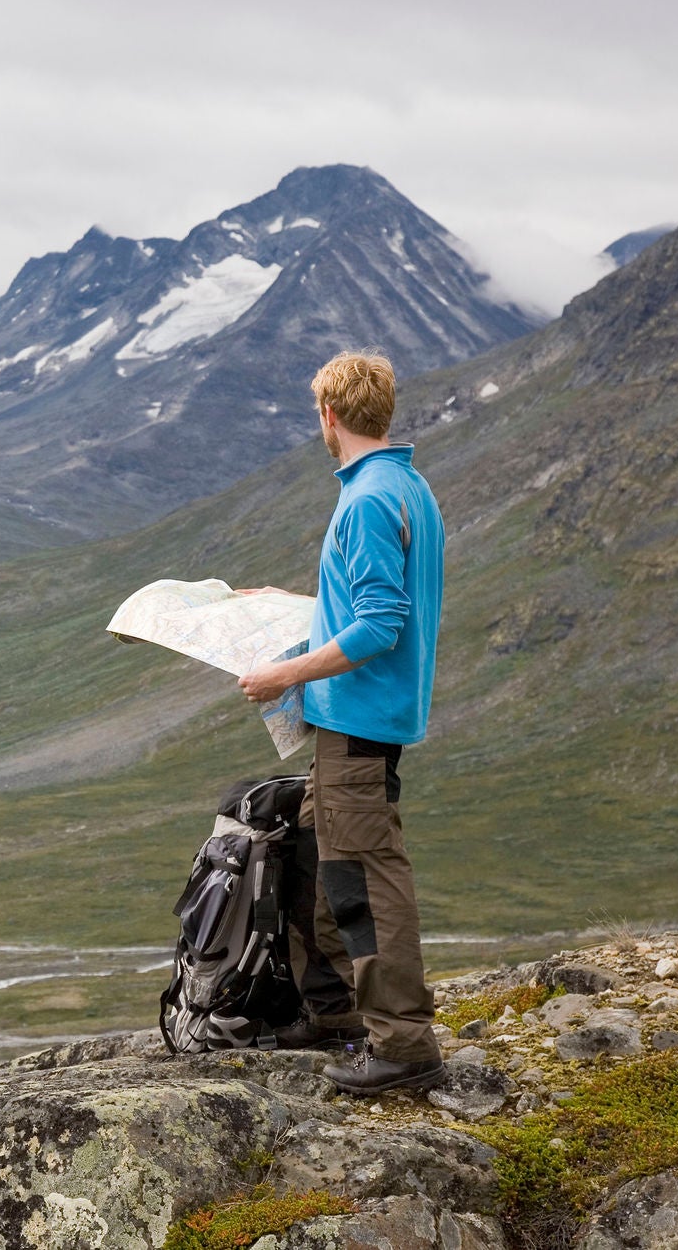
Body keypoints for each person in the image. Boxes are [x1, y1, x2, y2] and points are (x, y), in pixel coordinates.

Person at [235, 351, 446, 1095]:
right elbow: (364, 601)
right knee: (324, 855)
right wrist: (291, 601)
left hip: (358, 720)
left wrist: (281, 674)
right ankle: (334, 1012)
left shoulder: (363, 501)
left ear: (329, 415)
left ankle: (404, 1044)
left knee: (365, 874)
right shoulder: (402, 486)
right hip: (359, 721)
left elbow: (381, 623)